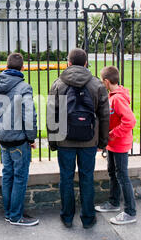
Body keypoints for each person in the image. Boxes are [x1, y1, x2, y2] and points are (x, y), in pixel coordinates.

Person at [47, 48, 110, 229]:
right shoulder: (97, 85)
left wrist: (53, 142)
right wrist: (103, 142)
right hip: (89, 140)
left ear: (68, 63)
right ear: (85, 63)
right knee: (87, 178)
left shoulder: (58, 84)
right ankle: (88, 218)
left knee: (66, 178)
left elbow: (51, 115)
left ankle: (67, 217)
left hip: (64, 139)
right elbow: (105, 116)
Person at [0, 53, 39, 227]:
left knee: (8, 175)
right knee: (19, 177)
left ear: (7, 66)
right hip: (18, 141)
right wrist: (32, 137)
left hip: (4, 139)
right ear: (22, 68)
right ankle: (16, 216)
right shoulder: (24, 87)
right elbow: (29, 115)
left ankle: (10, 213)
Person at [95, 66, 137, 225]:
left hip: (119, 144)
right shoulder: (112, 96)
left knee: (122, 176)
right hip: (113, 144)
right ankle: (113, 203)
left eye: (101, 80)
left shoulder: (118, 98)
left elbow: (130, 121)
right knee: (113, 173)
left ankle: (130, 212)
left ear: (106, 81)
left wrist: (111, 135)